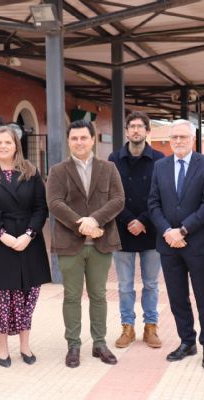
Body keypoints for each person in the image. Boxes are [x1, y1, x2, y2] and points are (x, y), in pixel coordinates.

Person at [46, 119, 125, 368]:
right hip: (70, 243)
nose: (79, 142)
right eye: (74, 138)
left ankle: (99, 343)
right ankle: (73, 345)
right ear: (69, 142)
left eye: (83, 138)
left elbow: (118, 199)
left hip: (101, 243)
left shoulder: (109, 168)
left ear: (92, 140)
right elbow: (55, 203)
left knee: (99, 295)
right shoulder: (58, 170)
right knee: (71, 296)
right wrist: (82, 223)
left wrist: (94, 220)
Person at [0, 125, 51, 368]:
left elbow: (41, 208)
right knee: (1, 298)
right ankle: (3, 349)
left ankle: (25, 347)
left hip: (28, 242)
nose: (3, 146)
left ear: (16, 145)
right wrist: (2, 235)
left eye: (8, 142)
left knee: (27, 295)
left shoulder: (31, 171)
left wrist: (29, 234)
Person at [148, 119, 204, 369]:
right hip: (168, 244)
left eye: (183, 137)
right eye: (174, 137)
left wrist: (184, 230)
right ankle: (187, 341)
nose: (178, 141)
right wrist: (168, 231)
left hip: (197, 243)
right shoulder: (160, 166)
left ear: (193, 139)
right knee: (177, 297)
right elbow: (153, 204)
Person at [108, 111, 165, 349]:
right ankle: (127, 327)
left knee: (151, 284)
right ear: (127, 131)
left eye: (140, 127)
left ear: (147, 131)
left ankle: (150, 327)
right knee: (124, 285)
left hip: (151, 232)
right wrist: (129, 220)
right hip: (122, 232)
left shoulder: (160, 160)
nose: (135, 130)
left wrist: (142, 220)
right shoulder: (114, 159)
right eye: (131, 126)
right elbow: (110, 195)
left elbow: (161, 195)